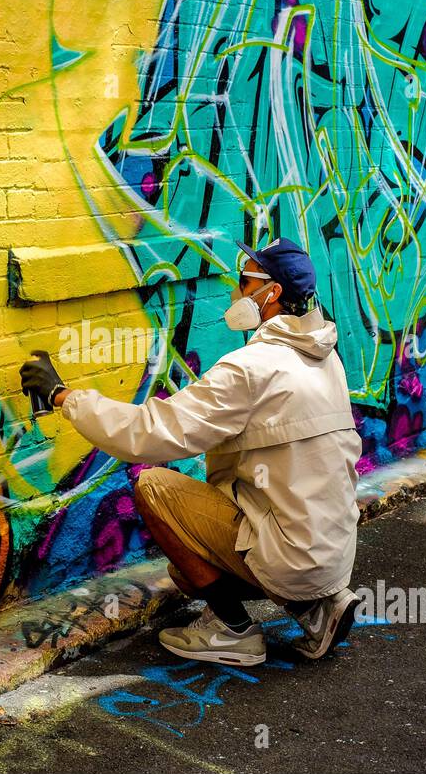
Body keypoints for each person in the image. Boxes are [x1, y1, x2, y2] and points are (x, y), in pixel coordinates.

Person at [20, 237, 363, 666]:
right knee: (185, 572)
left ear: (272, 293)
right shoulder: (325, 358)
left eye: (244, 282)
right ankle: (316, 606)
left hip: (292, 556)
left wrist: (63, 396)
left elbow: (150, 432)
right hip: (332, 556)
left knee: (153, 487)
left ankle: (233, 631)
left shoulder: (254, 368)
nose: (236, 292)